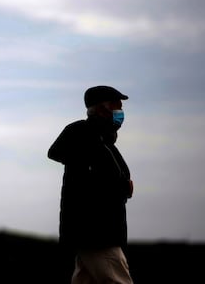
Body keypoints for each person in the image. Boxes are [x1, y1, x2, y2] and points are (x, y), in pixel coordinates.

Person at [48, 85, 134, 284]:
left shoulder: (103, 140)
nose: (121, 113)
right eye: (117, 107)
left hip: (94, 232)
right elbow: (97, 177)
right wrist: (121, 186)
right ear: (102, 109)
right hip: (98, 232)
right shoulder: (84, 133)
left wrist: (121, 186)